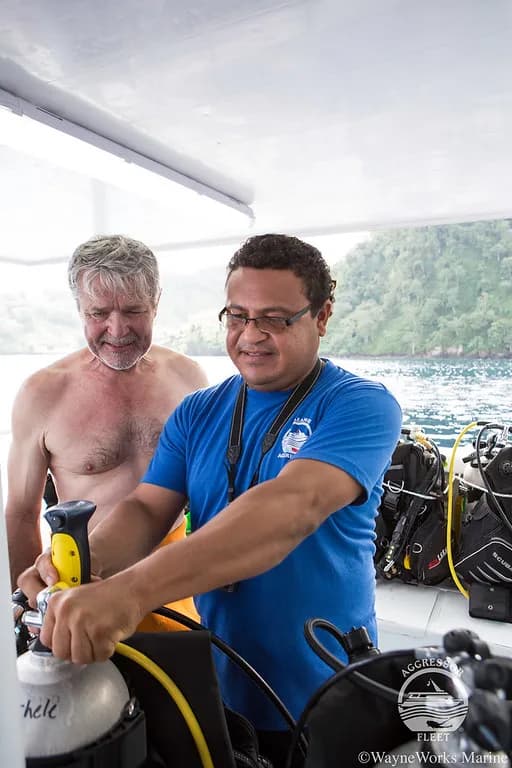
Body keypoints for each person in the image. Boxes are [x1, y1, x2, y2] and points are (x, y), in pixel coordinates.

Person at [20, 233, 402, 766]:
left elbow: (290, 508)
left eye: (274, 319)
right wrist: (83, 564)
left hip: (326, 687)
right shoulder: (197, 411)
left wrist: (128, 595)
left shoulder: (360, 405)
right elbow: (145, 510)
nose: (251, 335)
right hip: (216, 688)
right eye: (237, 316)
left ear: (321, 316)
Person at [8, 234, 207, 626]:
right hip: (84, 580)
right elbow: (20, 512)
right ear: (79, 308)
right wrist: (28, 609)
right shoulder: (42, 394)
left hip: (176, 578)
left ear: (156, 302)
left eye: (133, 310)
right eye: (98, 313)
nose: (117, 330)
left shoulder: (188, 378)